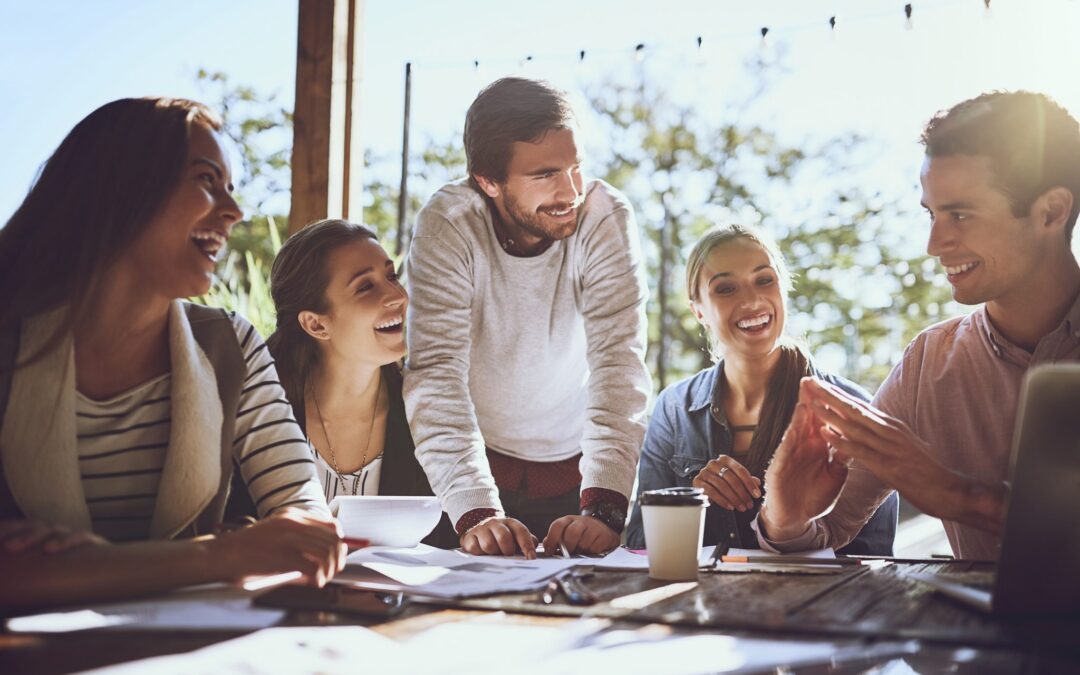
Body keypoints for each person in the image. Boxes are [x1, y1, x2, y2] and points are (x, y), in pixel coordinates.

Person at [0, 98, 346, 611]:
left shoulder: (231, 345)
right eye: (207, 181)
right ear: (117, 188)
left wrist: (91, 566)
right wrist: (219, 555)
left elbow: (308, 531)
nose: (234, 212)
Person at [758, 91, 1080, 560]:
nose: (933, 243)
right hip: (967, 634)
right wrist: (786, 518)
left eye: (960, 214)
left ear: (1051, 212)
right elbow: (829, 531)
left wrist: (962, 497)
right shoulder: (928, 363)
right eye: (931, 213)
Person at [403, 77, 651, 558]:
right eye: (545, 175)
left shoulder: (605, 218)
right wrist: (475, 510)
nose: (570, 191)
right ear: (488, 182)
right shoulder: (448, 224)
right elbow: (436, 376)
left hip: (580, 476)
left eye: (576, 167)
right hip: (467, 475)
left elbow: (619, 364)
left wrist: (604, 508)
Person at [625, 225, 897, 554]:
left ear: (784, 288)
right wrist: (689, 505)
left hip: (819, 605)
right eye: (725, 288)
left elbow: (872, 555)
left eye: (764, 280)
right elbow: (641, 544)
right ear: (698, 310)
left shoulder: (850, 406)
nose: (752, 300)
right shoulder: (673, 409)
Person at [265, 219, 455, 546]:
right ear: (316, 324)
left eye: (392, 276)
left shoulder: (428, 407)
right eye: (366, 287)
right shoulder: (263, 413)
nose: (398, 296)